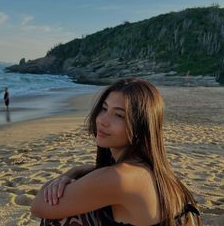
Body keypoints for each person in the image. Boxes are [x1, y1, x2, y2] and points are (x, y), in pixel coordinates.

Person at [31, 78, 202, 226]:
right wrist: (81, 170)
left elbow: (39, 206)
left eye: (119, 115)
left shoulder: (119, 178)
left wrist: (70, 174)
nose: (103, 120)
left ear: (141, 126)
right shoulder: (153, 170)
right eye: (104, 109)